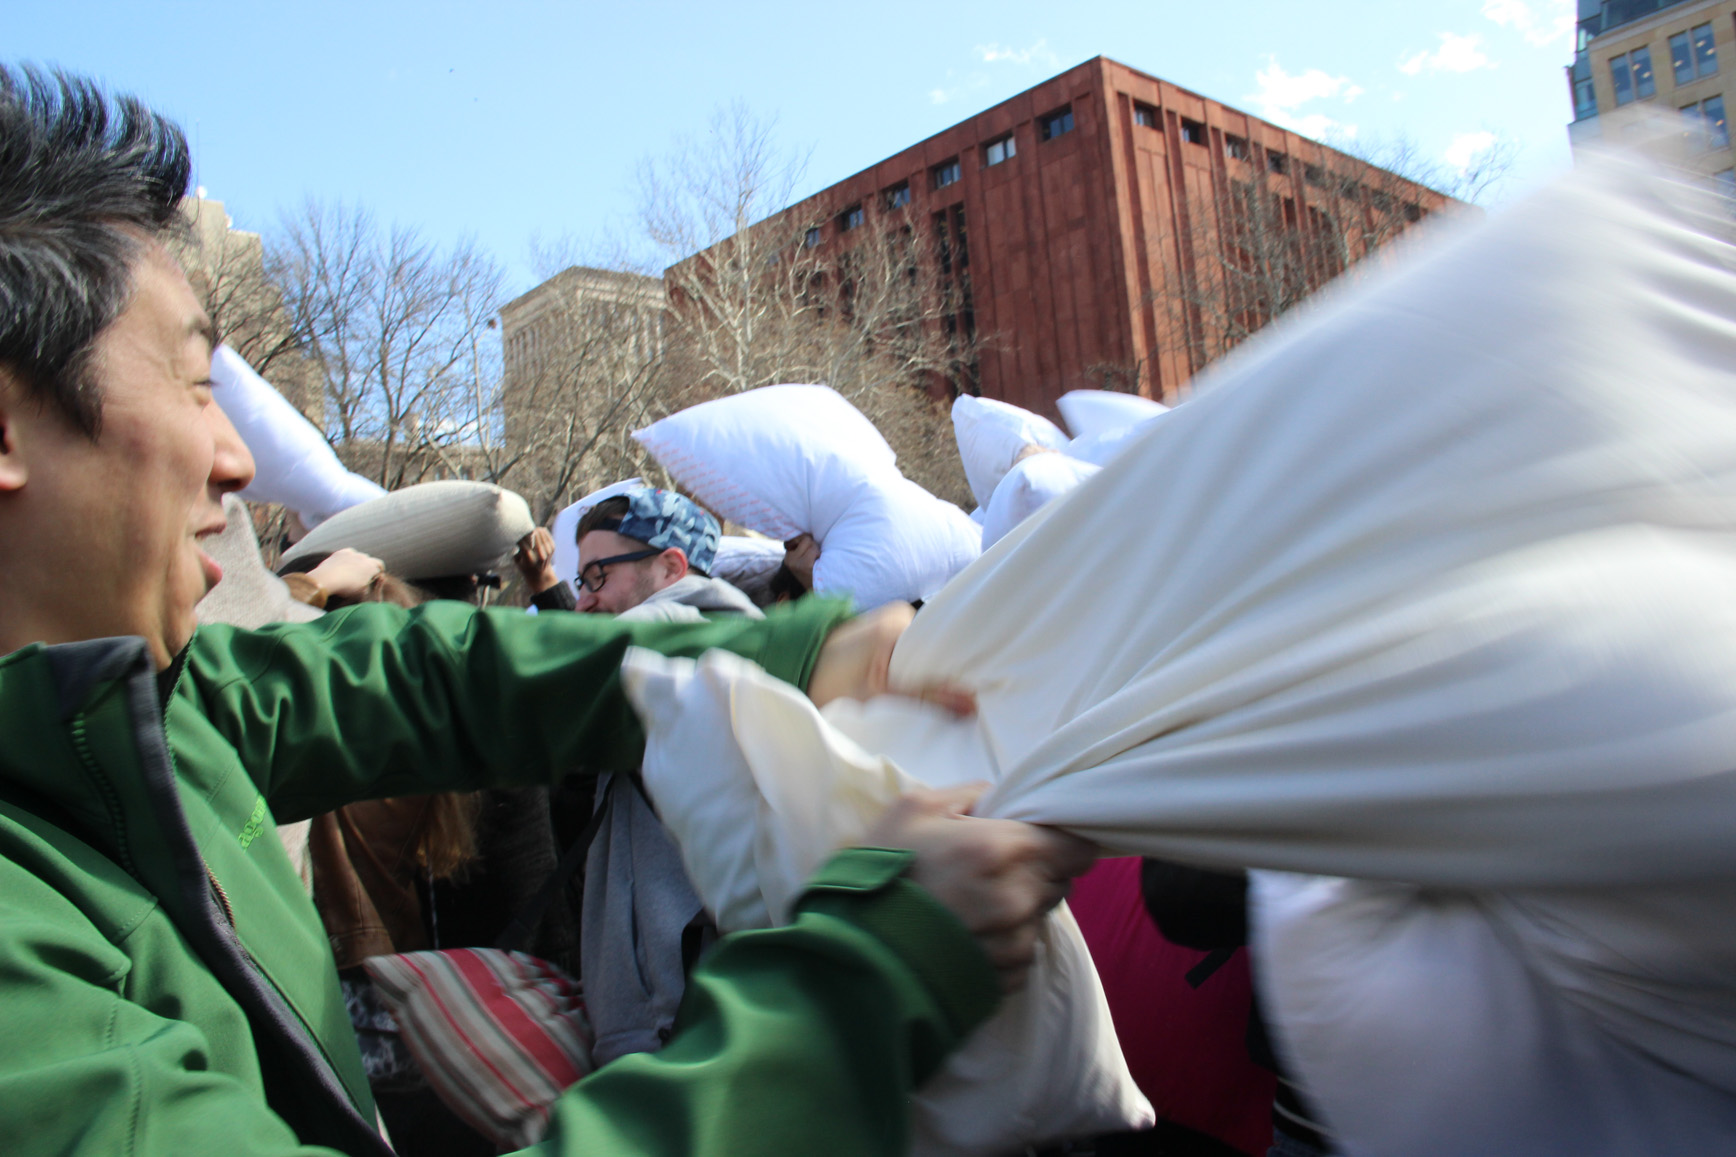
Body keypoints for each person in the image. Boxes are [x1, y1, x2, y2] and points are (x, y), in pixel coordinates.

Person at [0, 65, 1092, 1157]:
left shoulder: (155, 704)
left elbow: (438, 677)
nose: (235, 459)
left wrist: (796, 647)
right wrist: (875, 972)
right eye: (196, 386)